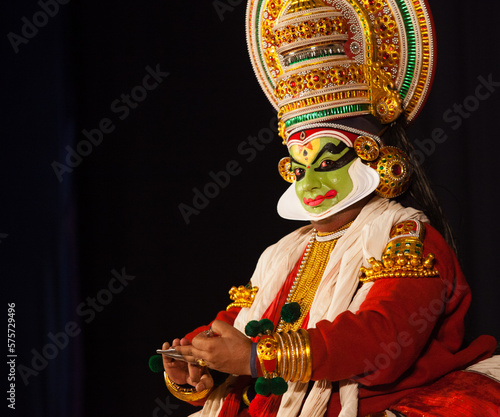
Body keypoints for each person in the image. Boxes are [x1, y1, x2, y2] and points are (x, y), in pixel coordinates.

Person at [158, 0, 500, 415]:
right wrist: (198, 364)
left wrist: (257, 358)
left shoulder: (405, 238)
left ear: (374, 156)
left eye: (326, 163)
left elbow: (383, 341)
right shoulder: (284, 254)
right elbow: (240, 322)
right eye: (299, 169)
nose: (311, 184)